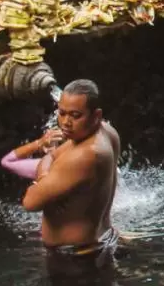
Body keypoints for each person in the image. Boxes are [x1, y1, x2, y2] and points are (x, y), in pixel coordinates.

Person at [21, 79, 121, 284]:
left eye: (75, 115)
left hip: (76, 258)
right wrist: (49, 174)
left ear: (97, 115)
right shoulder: (105, 132)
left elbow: (30, 202)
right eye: (62, 113)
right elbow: (50, 157)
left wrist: (42, 179)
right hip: (96, 244)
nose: (66, 122)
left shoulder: (85, 155)